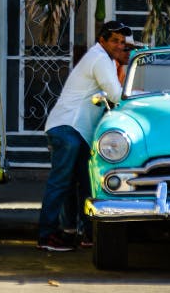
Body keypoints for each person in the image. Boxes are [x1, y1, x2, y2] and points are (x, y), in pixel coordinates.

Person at [36, 20, 128, 252]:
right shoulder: (100, 58)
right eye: (114, 40)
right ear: (102, 40)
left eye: (122, 42)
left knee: (85, 184)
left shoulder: (103, 58)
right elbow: (117, 95)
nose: (119, 45)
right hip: (69, 128)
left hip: (74, 130)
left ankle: (87, 233)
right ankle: (46, 235)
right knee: (61, 184)